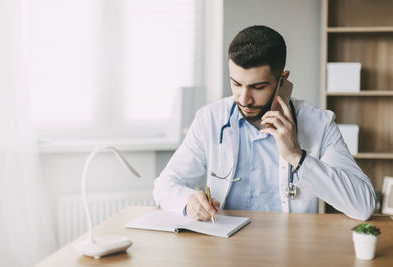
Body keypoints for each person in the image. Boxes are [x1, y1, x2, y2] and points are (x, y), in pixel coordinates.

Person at [153, 25, 375, 221]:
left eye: (257, 87)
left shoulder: (320, 124)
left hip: (292, 251)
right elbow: (164, 185)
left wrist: (297, 157)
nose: (243, 99)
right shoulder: (210, 119)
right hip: (225, 247)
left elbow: (363, 205)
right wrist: (188, 201)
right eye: (236, 84)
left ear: (282, 79)